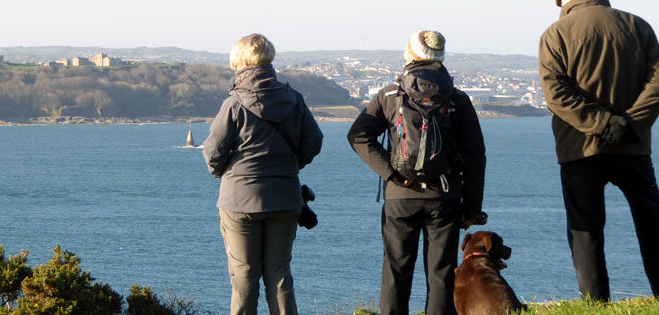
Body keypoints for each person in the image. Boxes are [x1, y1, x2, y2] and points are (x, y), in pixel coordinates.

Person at [539, 0, 659, 301]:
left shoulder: (555, 34)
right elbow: (658, 82)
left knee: (586, 231)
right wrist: (631, 124)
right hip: (634, 146)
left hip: (580, 147)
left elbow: (556, 94)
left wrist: (601, 123)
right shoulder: (639, 26)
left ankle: (596, 304)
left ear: (566, 0)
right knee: (652, 224)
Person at [348, 30, 486, 315]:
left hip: (400, 195)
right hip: (445, 195)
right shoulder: (458, 99)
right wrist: (472, 209)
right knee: (441, 273)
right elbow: (476, 157)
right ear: (441, 57)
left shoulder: (389, 94)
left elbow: (358, 135)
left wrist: (392, 173)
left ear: (410, 55)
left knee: (396, 272)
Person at [203, 33, 323, 315]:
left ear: (241, 61)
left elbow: (213, 154)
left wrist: (228, 175)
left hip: (240, 200)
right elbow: (313, 142)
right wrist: (289, 168)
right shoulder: (294, 99)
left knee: (244, 277)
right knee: (279, 275)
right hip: (285, 198)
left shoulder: (233, 104)